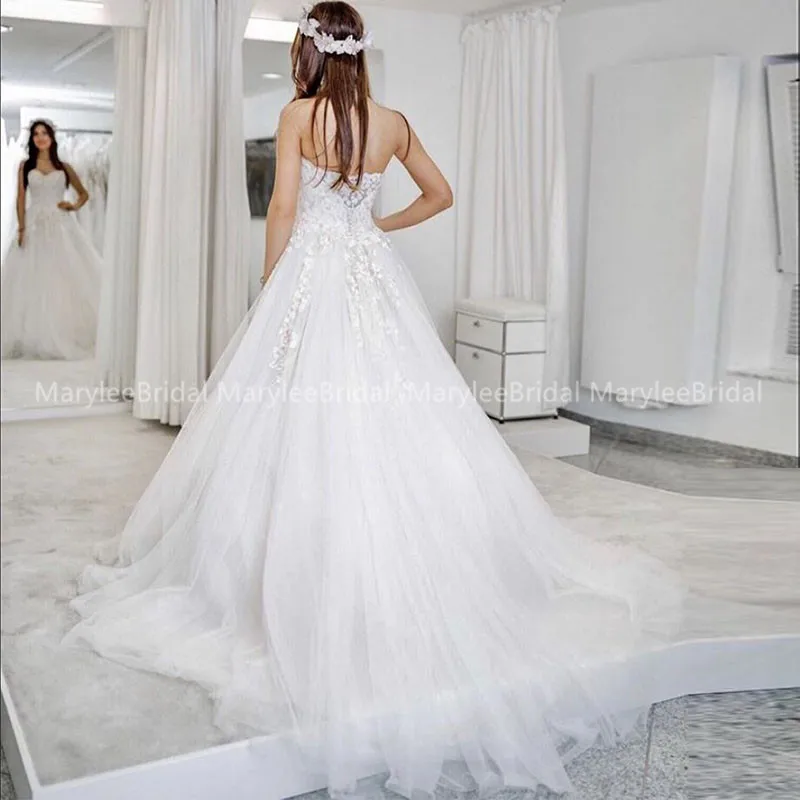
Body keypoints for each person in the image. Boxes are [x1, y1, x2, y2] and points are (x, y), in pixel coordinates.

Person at [63, 3, 682, 798]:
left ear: (310, 51)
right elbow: (442, 193)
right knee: (403, 413)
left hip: (311, 278)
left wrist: (273, 288)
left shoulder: (299, 115)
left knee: (293, 419)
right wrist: (376, 226)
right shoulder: (392, 122)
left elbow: (284, 208)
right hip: (370, 276)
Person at [0, 119, 101, 360]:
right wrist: (21, 227)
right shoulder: (26, 166)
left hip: (61, 224)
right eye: (36, 134)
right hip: (34, 224)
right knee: (31, 276)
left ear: (51, 137)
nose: (40, 137)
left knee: (63, 274)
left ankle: (65, 328)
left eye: (44, 133)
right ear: (32, 139)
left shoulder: (64, 167)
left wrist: (72, 205)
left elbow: (84, 194)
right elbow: (20, 198)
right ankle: (31, 333)